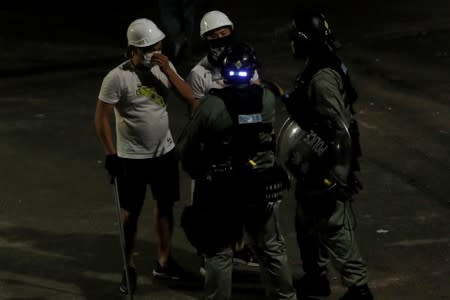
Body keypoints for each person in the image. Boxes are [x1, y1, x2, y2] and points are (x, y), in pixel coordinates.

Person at [177, 42, 297, 300]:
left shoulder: (211, 105)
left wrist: (199, 172)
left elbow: (186, 148)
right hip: (262, 186)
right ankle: (285, 297)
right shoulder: (266, 98)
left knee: (219, 252)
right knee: (270, 246)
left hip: (224, 188)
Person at [94, 18, 195, 295]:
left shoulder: (164, 66)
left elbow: (189, 97)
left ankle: (164, 261)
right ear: (133, 50)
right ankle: (128, 267)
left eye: (158, 45)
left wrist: (167, 71)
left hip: (164, 153)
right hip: (132, 158)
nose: (155, 51)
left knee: (165, 206)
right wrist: (110, 153)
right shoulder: (117, 77)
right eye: (148, 48)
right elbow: (101, 117)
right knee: (131, 215)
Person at [279, 8, 374, 300]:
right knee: (306, 222)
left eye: (295, 36)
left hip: (327, 162)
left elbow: (337, 129)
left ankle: (359, 289)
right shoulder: (320, 65)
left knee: (332, 223)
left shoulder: (322, 77)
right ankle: (316, 278)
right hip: (315, 158)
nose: (291, 42)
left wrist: (335, 173)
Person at [186, 9, 261, 273]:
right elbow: (196, 115)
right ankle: (208, 254)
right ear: (206, 40)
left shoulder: (245, 63)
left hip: (240, 147)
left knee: (240, 203)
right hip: (211, 152)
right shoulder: (199, 74)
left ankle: (239, 248)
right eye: (214, 36)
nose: (220, 39)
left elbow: (257, 100)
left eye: (224, 34)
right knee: (207, 208)